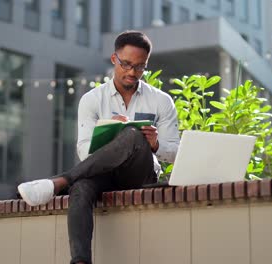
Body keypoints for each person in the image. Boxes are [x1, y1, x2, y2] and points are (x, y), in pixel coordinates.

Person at [17, 30, 179, 264]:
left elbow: (175, 152)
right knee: (81, 187)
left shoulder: (161, 101)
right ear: (114, 59)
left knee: (132, 134)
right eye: (126, 64)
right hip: (104, 174)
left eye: (140, 67)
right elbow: (83, 151)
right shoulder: (92, 100)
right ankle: (80, 261)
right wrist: (109, 136)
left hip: (141, 174)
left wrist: (156, 145)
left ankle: (58, 182)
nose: (132, 72)